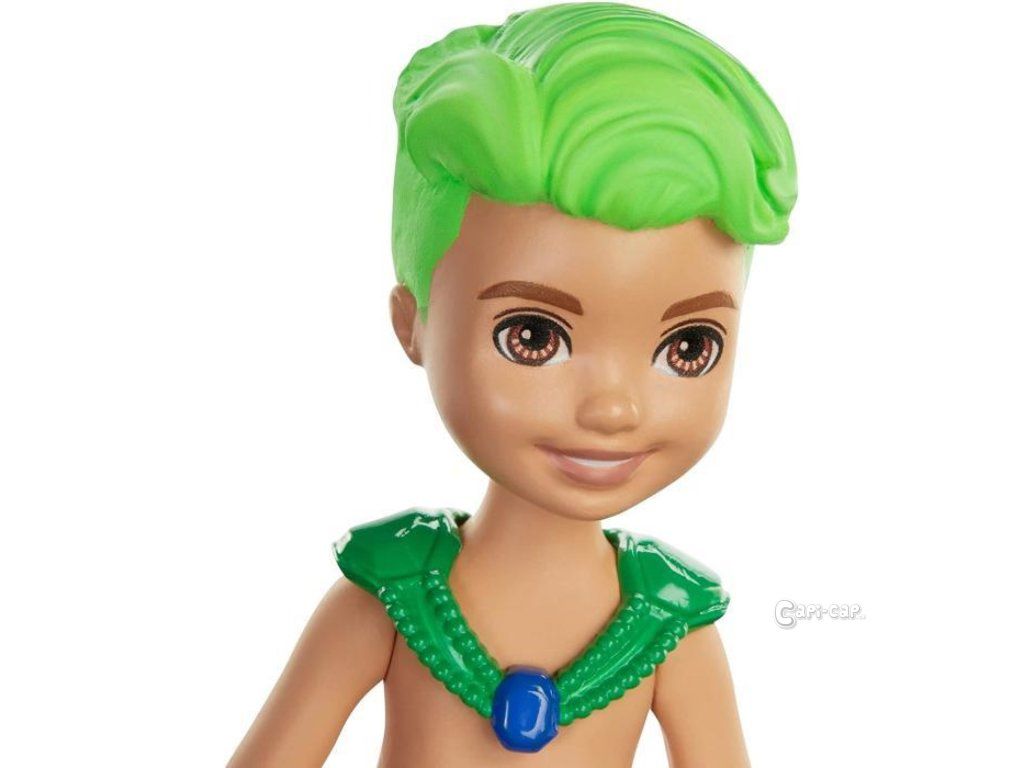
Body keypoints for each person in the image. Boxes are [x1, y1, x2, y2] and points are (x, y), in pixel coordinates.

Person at [229, 3, 796, 766]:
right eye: (533, 337)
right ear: (413, 322)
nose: (614, 408)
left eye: (687, 347)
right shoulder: (391, 594)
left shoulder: (670, 624)